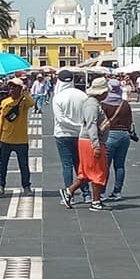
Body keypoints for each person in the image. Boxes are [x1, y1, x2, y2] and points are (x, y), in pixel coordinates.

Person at [59, 76, 111, 212]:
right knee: (98, 170)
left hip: (88, 140)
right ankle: (95, 201)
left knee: (87, 172)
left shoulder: (92, 103)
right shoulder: (92, 105)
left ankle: (69, 192)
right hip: (90, 141)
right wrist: (96, 144)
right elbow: (91, 125)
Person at [52, 69, 91, 204]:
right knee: (81, 165)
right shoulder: (83, 95)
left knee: (67, 165)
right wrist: (80, 126)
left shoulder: (58, 97)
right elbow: (88, 116)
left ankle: (70, 195)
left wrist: (73, 125)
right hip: (81, 135)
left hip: (63, 134)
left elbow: (60, 119)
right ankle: (87, 194)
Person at [0, 77, 35, 197]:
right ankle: (0, 186)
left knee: (24, 165)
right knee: (2, 165)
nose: (11, 89)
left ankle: (26, 186)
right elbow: (1, 121)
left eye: (15, 87)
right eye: (10, 87)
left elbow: (32, 103)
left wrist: (25, 91)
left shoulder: (24, 102)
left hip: (21, 140)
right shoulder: (5, 102)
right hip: (6, 139)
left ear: (19, 89)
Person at [100, 79, 133, 201]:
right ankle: (117, 192)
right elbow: (130, 121)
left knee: (105, 165)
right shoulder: (125, 104)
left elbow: (101, 121)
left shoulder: (104, 103)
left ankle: (101, 192)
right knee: (120, 165)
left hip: (110, 135)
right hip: (124, 136)